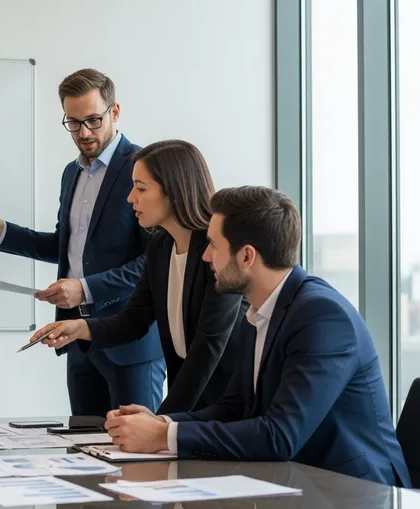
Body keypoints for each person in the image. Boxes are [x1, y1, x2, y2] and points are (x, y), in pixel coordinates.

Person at [96, 186, 410, 487]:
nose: (205, 257)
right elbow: (234, 407)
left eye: (214, 246)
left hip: (353, 491)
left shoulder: (323, 318)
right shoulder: (260, 310)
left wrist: (163, 438)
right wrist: (162, 424)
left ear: (247, 256)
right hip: (295, 481)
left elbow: (281, 435)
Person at [0, 68, 165, 417]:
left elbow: (155, 261)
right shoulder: (72, 173)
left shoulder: (143, 169)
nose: (83, 132)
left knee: (138, 456)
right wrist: (3, 231)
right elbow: (68, 247)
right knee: (84, 452)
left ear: (115, 113)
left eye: (93, 120)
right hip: (79, 341)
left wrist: (85, 288)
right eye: (73, 122)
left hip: (131, 344)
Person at [28, 140, 246, 414]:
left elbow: (208, 347)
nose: (131, 197)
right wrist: (80, 329)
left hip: (230, 405)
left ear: (174, 192)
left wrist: (162, 423)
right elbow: (134, 320)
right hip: (193, 408)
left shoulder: (217, 250)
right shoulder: (160, 245)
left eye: (141, 188)